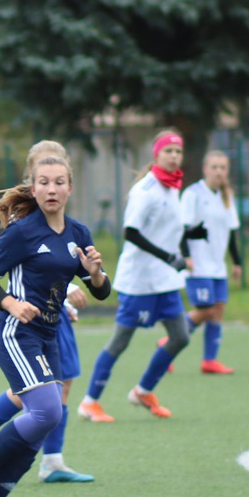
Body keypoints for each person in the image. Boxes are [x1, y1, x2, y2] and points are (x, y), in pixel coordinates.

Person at [0, 154, 109, 497]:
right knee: (46, 410)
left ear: (70, 188)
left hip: (48, 336)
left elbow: (100, 292)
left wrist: (95, 274)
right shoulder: (22, 232)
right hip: (16, 333)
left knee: (47, 418)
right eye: (44, 182)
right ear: (34, 189)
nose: (52, 189)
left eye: (59, 182)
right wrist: (12, 304)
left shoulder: (78, 234)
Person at [78, 130, 190, 422]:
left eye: (178, 151)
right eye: (168, 151)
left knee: (180, 337)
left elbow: (168, 230)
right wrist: (168, 257)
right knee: (120, 342)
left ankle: (143, 391)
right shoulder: (146, 189)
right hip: (140, 281)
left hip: (165, 280)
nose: (174, 156)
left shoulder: (173, 187)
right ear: (156, 155)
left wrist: (187, 243)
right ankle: (89, 402)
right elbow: (131, 233)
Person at [179, 149, 243, 374]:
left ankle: (209, 360)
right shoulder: (193, 194)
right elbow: (182, 228)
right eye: (214, 167)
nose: (218, 172)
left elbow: (232, 231)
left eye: (222, 168)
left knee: (218, 310)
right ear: (205, 169)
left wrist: (237, 262)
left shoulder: (227, 196)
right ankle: (170, 340)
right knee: (205, 310)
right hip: (198, 265)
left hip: (218, 266)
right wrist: (186, 256)